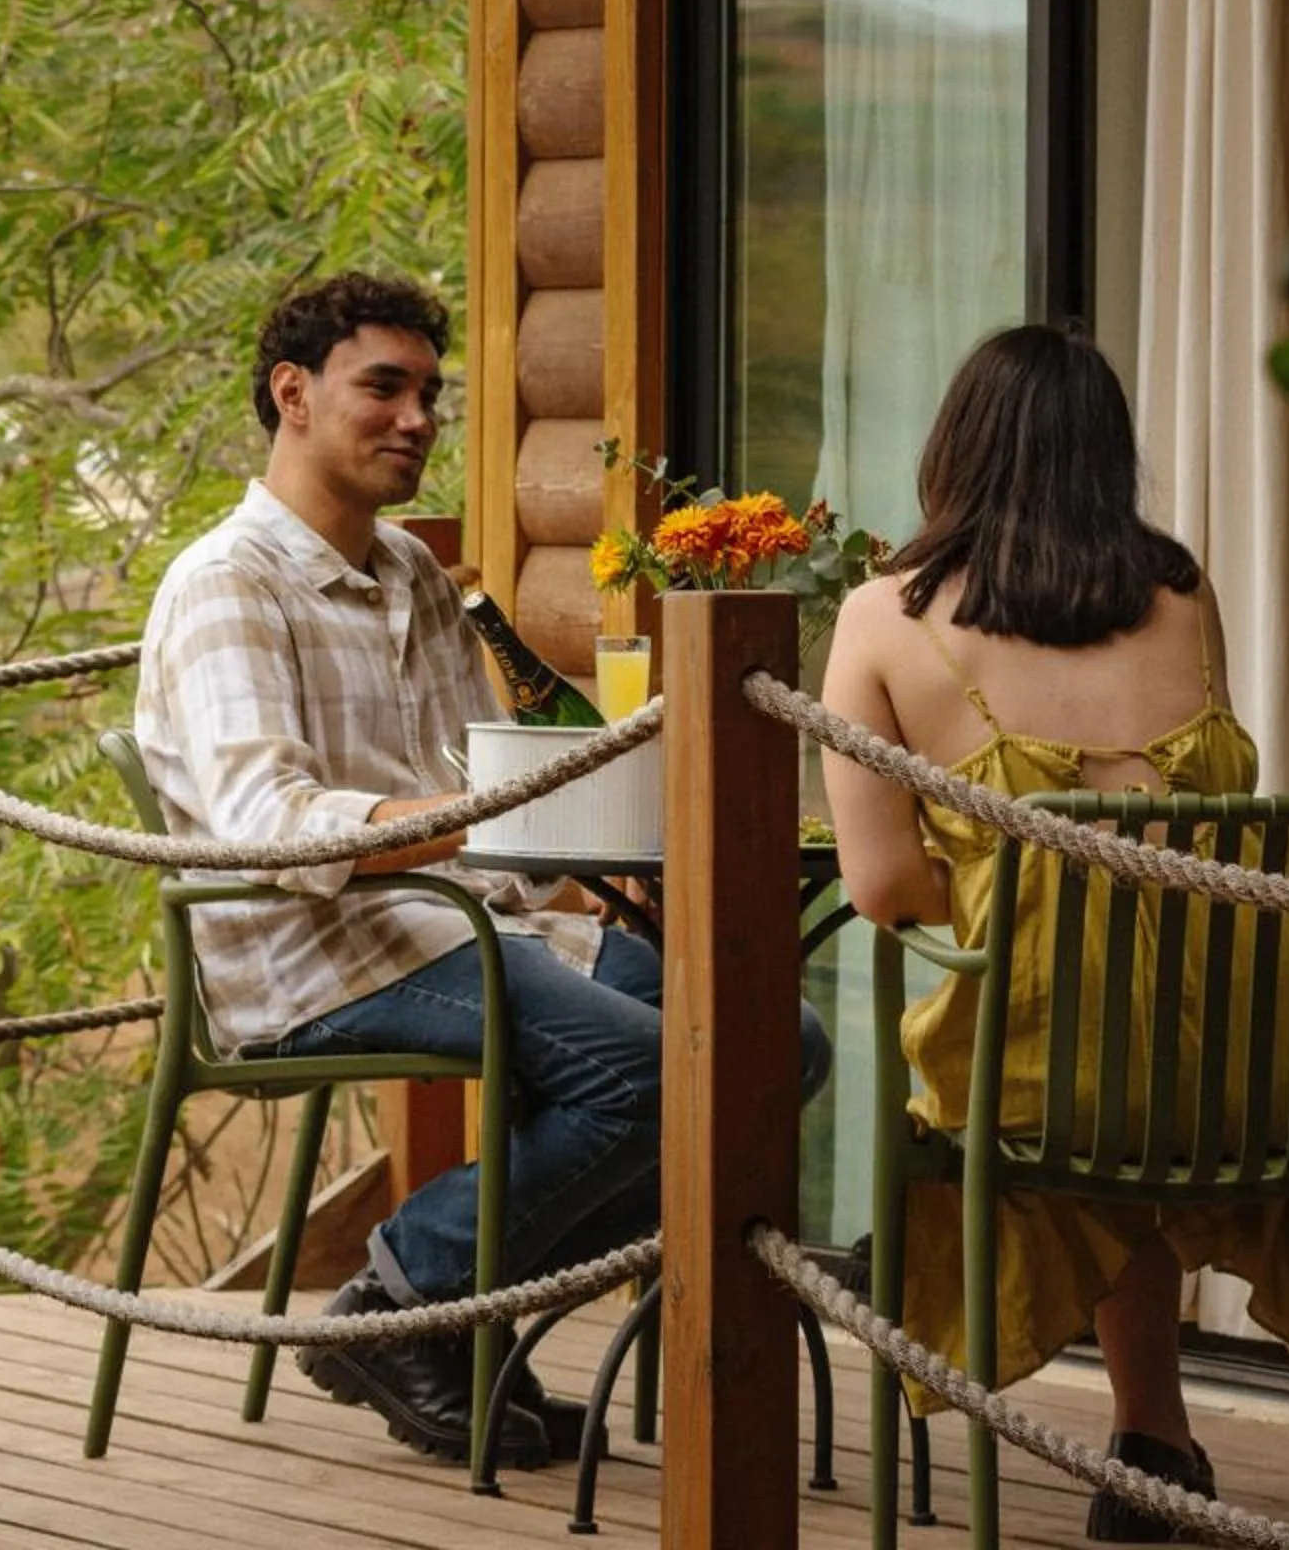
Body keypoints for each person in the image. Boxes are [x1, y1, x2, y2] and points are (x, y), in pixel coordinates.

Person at [136, 271, 828, 1470]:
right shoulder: (225, 583)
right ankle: (408, 1300)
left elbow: (486, 788)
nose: (416, 418)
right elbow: (276, 825)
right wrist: (486, 823)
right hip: (314, 957)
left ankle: (440, 1322)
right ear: (292, 395)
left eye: (430, 394)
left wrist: (597, 884)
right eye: (383, 388)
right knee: (644, 1073)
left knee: (777, 1044)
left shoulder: (412, 570)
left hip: (462, 923)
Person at [818, 324, 1289, 1543]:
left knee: (1059, 1042)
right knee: (1122, 1032)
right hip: (1250, 1076)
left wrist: (1009, 891)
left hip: (1046, 1086)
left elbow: (880, 886)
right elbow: (1218, 828)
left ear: (951, 452)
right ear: (1105, 458)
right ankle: (1153, 1433)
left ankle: (1116, 1425)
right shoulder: (1180, 595)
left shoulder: (882, 617)